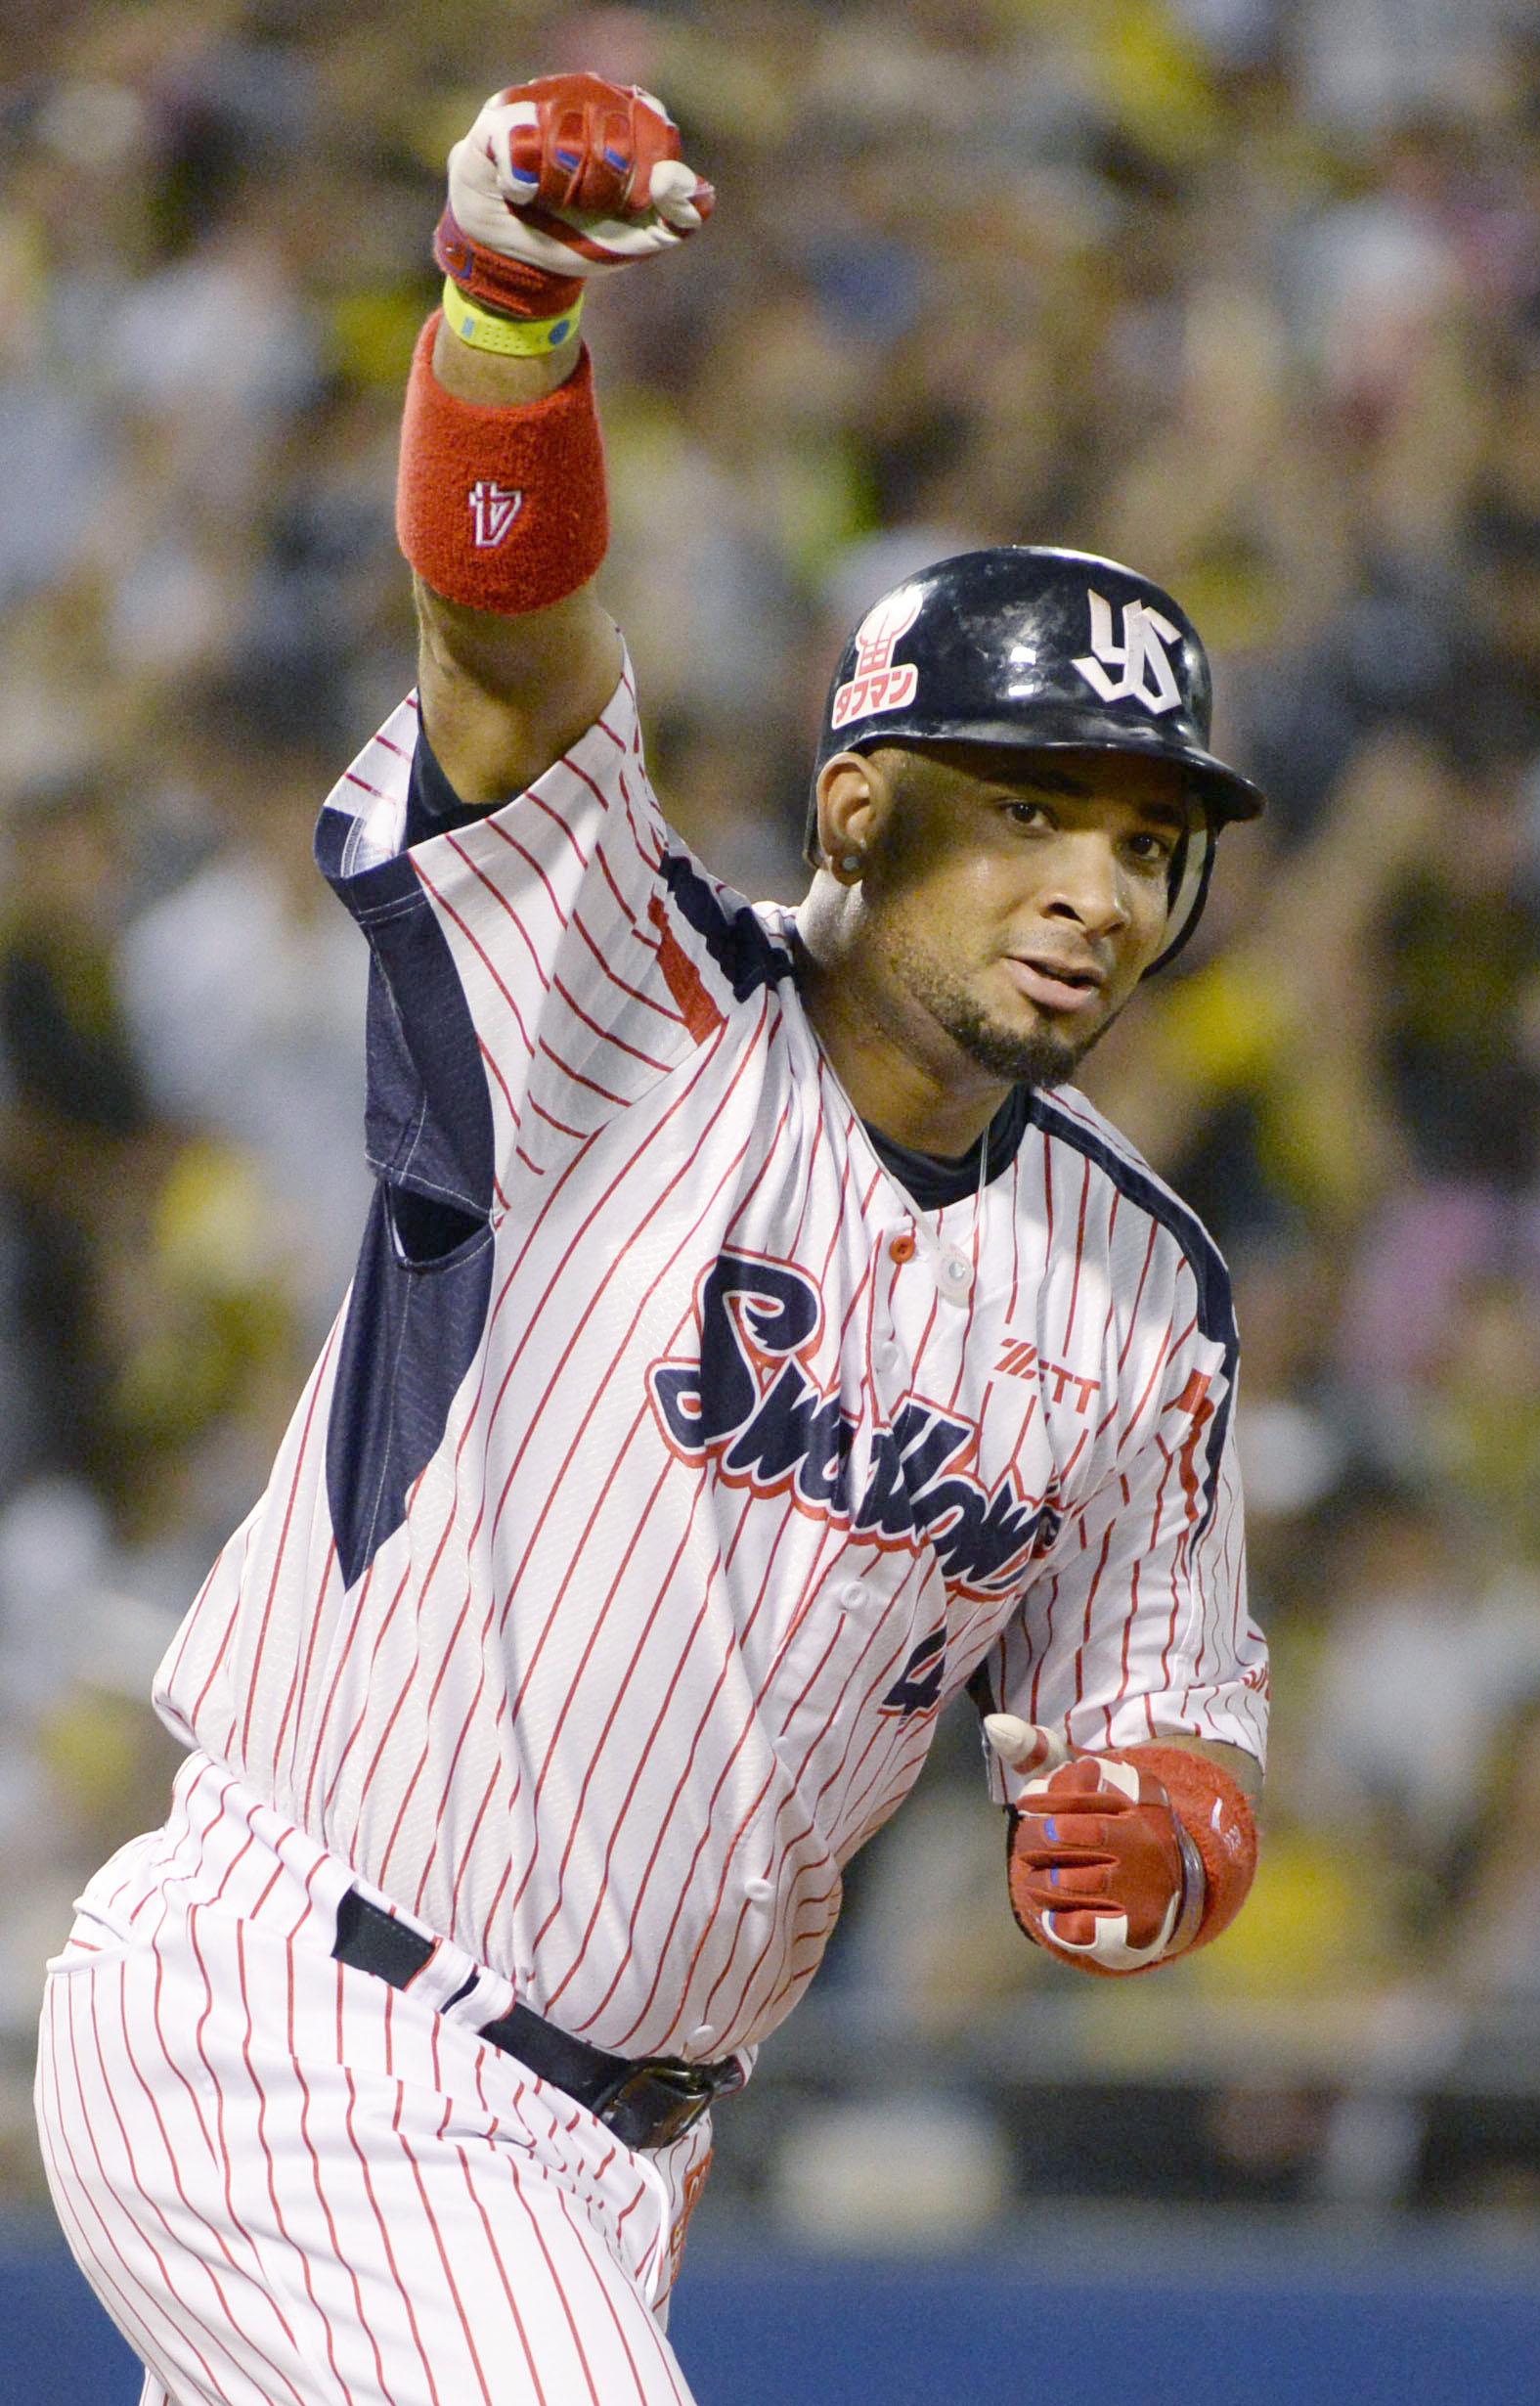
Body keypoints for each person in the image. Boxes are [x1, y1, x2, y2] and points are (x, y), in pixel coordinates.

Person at [35, 73, 1268, 2406]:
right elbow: (506, 654)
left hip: (619, 2153)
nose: (1099, 891)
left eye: (1147, 841)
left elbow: (1159, 1714)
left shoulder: (1141, 1290)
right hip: (307, 2018)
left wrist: (1172, 1832)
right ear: (862, 808)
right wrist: (507, 313)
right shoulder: (628, 992)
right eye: (1031, 814)